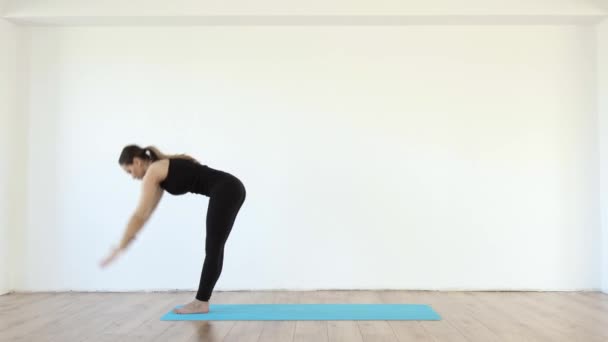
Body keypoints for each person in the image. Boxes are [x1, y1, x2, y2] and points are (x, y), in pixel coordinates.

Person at [99, 144, 246, 314]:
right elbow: (145, 215)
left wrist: (120, 246)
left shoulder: (154, 170)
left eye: (129, 171)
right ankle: (202, 301)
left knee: (213, 248)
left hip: (226, 189)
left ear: (137, 162)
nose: (132, 177)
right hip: (230, 188)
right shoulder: (159, 171)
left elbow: (139, 215)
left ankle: (201, 302)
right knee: (215, 248)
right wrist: (125, 243)